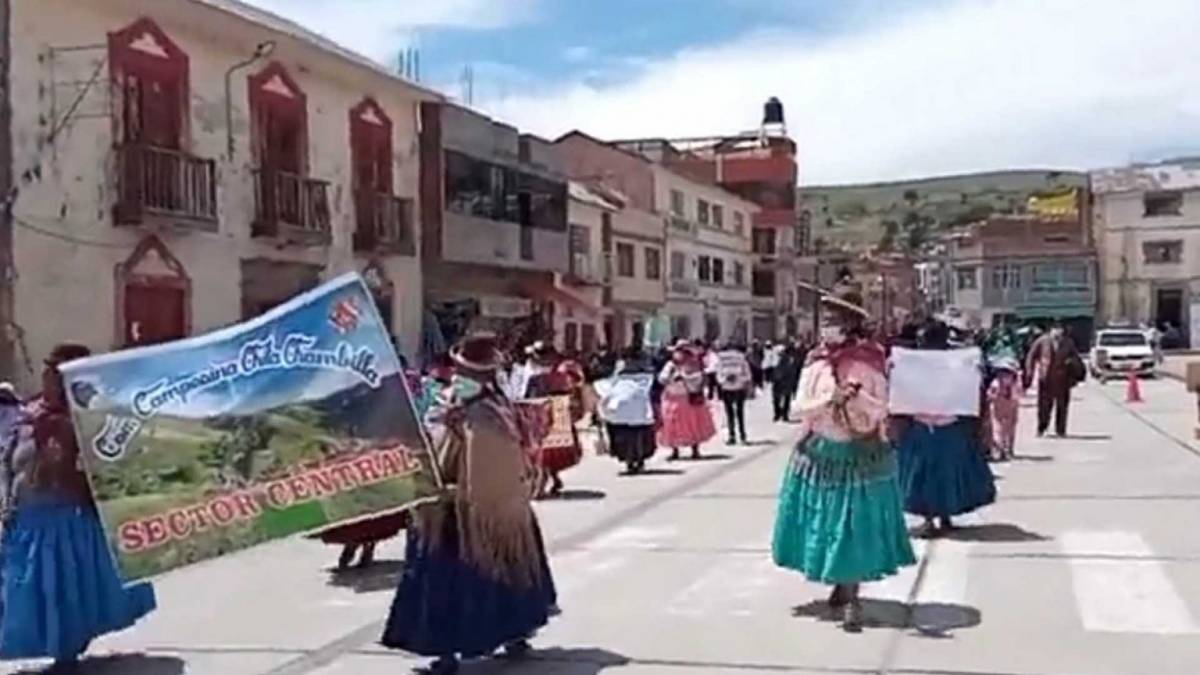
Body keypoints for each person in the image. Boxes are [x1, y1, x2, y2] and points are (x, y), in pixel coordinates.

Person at [382, 333, 557, 675]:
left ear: (483, 377)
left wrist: (462, 493)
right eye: (457, 370)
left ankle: (479, 644)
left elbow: (494, 471)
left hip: (481, 513)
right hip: (446, 507)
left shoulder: (491, 415)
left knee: (474, 579)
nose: (458, 378)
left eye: (466, 373)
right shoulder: (450, 406)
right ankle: (466, 647)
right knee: (457, 581)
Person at [0, 344, 157, 667]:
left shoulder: (85, 420)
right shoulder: (29, 414)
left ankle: (65, 653)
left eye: (58, 374)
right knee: (21, 588)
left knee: (60, 586)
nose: (50, 379)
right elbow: (9, 459)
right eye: (49, 371)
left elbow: (104, 468)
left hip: (64, 516)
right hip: (25, 515)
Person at [771, 290, 915, 633]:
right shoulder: (815, 364)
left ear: (851, 326)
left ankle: (852, 595)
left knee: (854, 525)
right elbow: (799, 407)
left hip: (861, 455)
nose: (828, 329)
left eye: (835, 322)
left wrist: (856, 396)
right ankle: (840, 583)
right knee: (827, 523)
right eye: (826, 322)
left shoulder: (869, 364)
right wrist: (827, 398)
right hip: (821, 455)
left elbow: (882, 408)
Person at [894, 321, 997, 537]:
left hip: (941, 428)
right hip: (929, 427)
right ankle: (936, 519)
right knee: (934, 477)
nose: (921, 344)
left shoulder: (957, 363)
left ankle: (940, 518)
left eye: (924, 339)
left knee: (937, 477)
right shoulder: (913, 363)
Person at [595, 348, 657, 474]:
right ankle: (633, 460)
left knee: (634, 436)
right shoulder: (625, 373)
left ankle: (635, 460)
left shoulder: (644, 375)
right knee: (631, 436)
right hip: (631, 411)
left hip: (630, 411)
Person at [657, 341, 718, 461]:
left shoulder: (694, 364)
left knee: (693, 424)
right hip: (672, 398)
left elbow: (700, 378)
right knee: (672, 424)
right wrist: (671, 377)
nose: (680, 354)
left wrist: (685, 378)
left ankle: (695, 449)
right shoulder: (670, 365)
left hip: (690, 398)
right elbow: (662, 378)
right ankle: (675, 450)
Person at [1024, 321, 1084, 437]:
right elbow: (1031, 356)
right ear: (1051, 330)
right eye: (1056, 329)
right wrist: (1029, 372)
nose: (1058, 331)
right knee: (1044, 406)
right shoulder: (1042, 341)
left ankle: (1060, 430)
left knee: (1062, 406)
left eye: (1060, 329)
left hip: (1063, 379)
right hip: (1046, 379)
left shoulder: (1068, 342)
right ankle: (1042, 428)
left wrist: (1072, 366)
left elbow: (1076, 358)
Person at [716, 342, 753, 445]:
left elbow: (718, 374)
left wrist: (730, 379)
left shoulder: (726, 360)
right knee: (735, 414)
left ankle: (738, 436)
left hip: (733, 388)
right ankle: (737, 436)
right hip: (733, 388)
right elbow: (748, 375)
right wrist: (730, 379)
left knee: (734, 414)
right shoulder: (738, 360)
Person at [987, 357, 1021, 461]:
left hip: (999, 406)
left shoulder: (995, 382)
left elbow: (990, 395)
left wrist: (990, 398)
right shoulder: (1014, 383)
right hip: (1010, 406)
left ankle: (1001, 449)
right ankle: (1007, 449)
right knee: (1009, 428)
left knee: (998, 428)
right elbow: (1018, 395)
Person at [771, 343, 803, 422]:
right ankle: (781, 414)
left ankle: (780, 414)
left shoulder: (787, 360)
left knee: (779, 399)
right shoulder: (788, 360)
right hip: (784, 381)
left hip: (781, 381)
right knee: (783, 399)